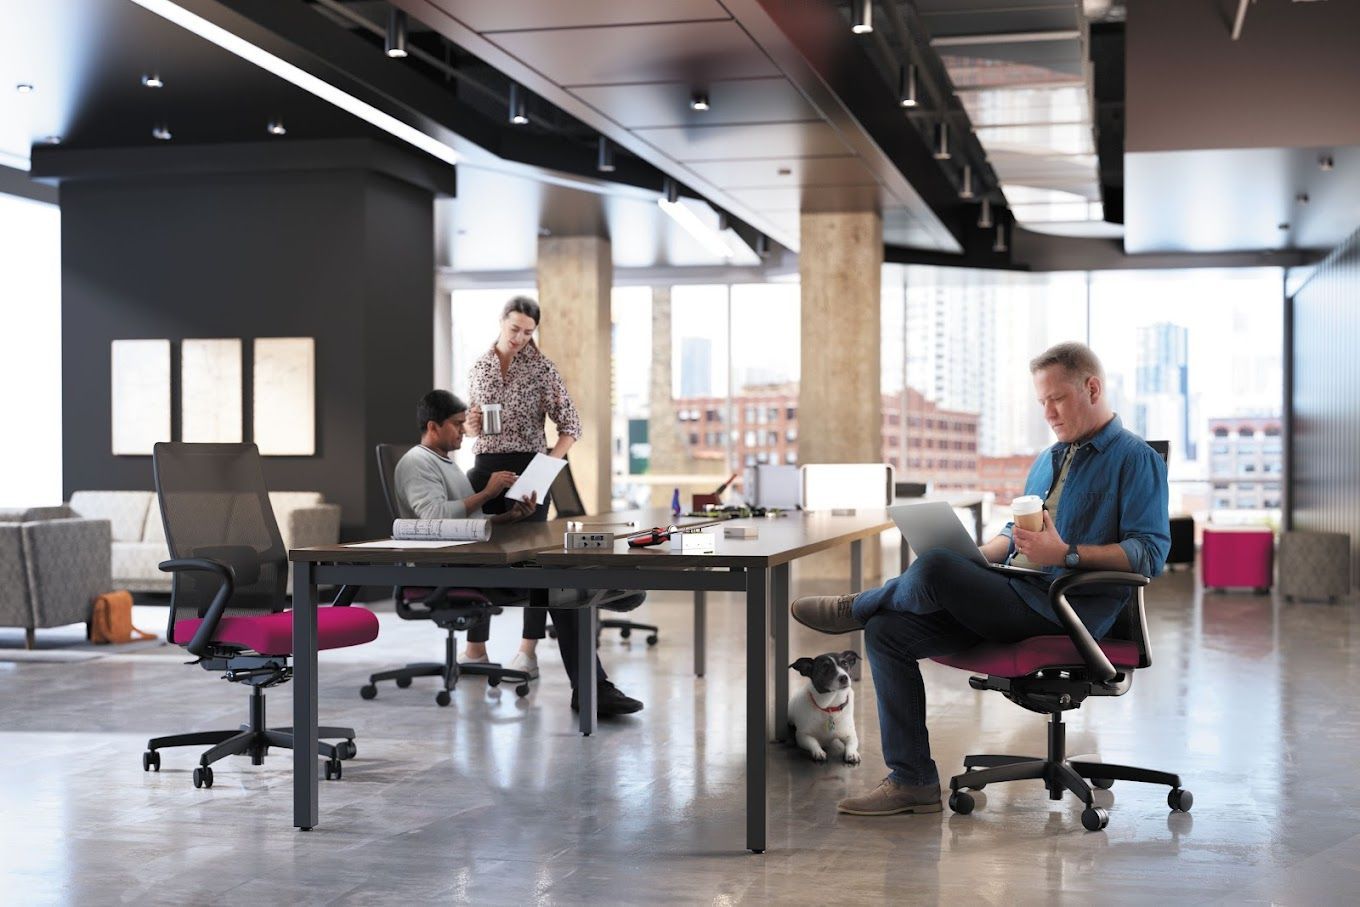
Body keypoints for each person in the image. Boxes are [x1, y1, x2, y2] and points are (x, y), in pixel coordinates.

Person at [790, 342, 1169, 816]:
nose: (1048, 412)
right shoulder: (1049, 459)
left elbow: (1149, 553)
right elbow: (1016, 533)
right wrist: (976, 557)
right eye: (1041, 403)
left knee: (931, 569)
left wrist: (1065, 554)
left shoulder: (1136, 460)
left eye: (1057, 399)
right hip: (1015, 595)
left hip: (1065, 609)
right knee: (888, 631)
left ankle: (858, 604)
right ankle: (913, 782)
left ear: (1092, 388)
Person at [395, 389, 643, 716]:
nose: (464, 431)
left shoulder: (447, 465)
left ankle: (593, 679)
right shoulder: (416, 462)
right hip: (449, 569)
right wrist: (488, 492)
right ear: (433, 427)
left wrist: (508, 517)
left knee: (563, 578)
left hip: (470, 559)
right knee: (560, 584)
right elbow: (433, 518)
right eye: (456, 425)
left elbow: (465, 521)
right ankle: (593, 686)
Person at [460, 296, 579, 679]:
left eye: (528, 332)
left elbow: (570, 427)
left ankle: (527, 651)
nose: (521, 338)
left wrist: (546, 467)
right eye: (515, 329)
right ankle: (475, 648)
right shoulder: (479, 366)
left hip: (530, 469)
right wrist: (470, 427)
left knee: (532, 561)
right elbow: (469, 424)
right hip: (484, 469)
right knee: (480, 556)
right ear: (501, 322)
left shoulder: (543, 368)